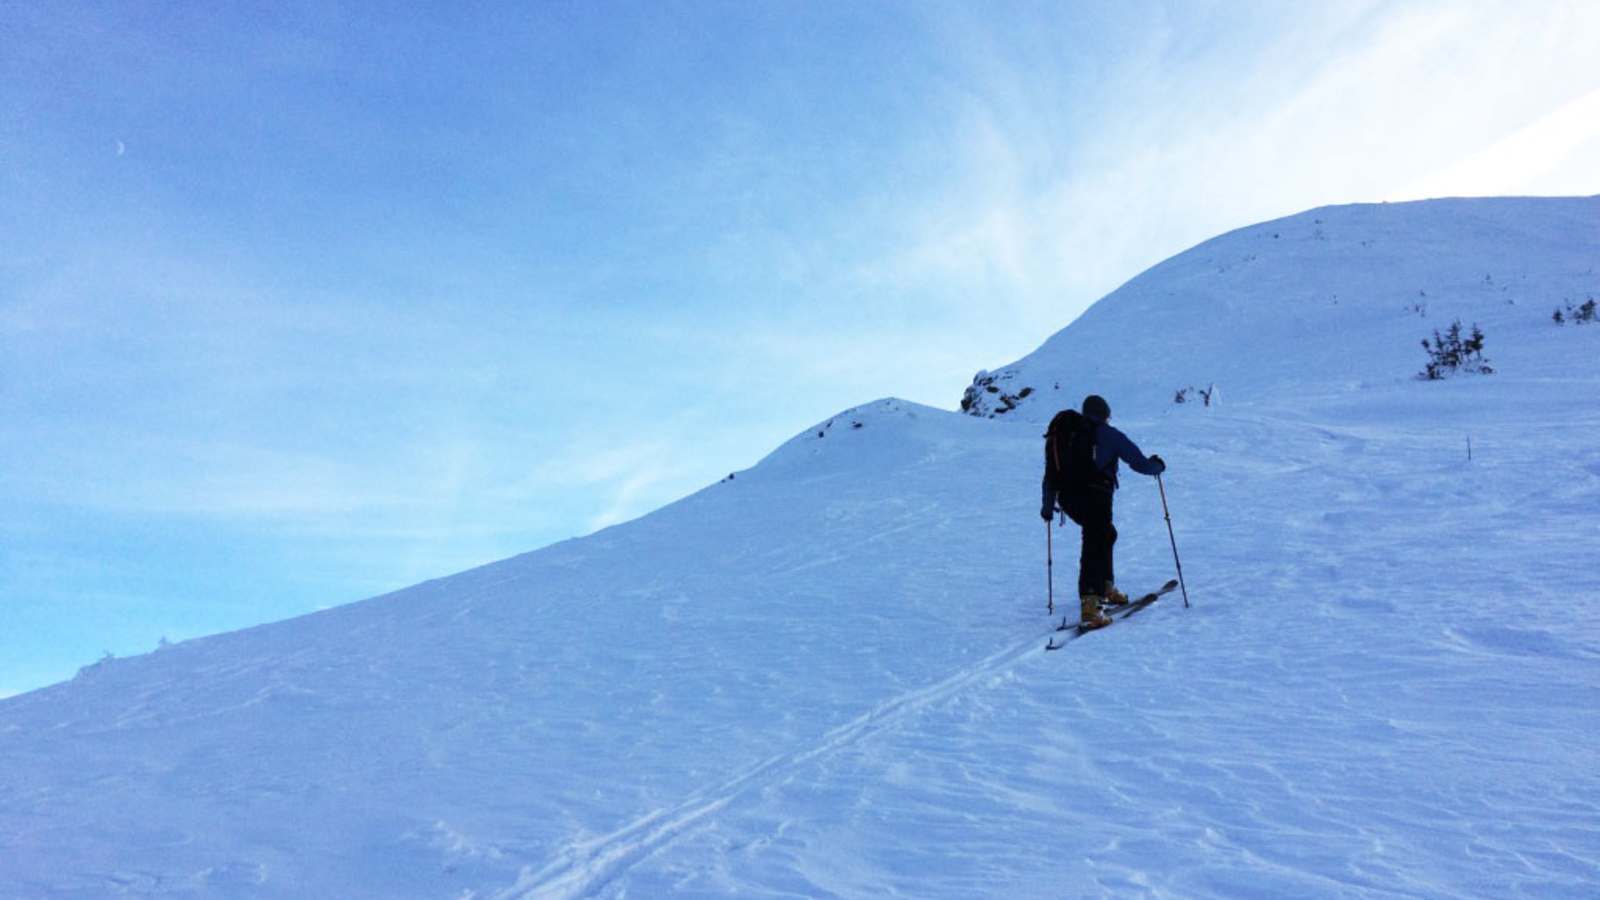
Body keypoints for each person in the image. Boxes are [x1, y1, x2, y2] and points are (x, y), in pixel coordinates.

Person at [1040, 394, 1166, 630]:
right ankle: (1091, 603)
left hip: (1068, 499)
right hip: (1095, 496)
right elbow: (1137, 461)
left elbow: (1050, 474)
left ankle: (1105, 587)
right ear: (1104, 415)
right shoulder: (1107, 434)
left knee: (1106, 534)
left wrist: (1047, 507)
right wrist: (1157, 466)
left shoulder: (1065, 436)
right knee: (1096, 539)